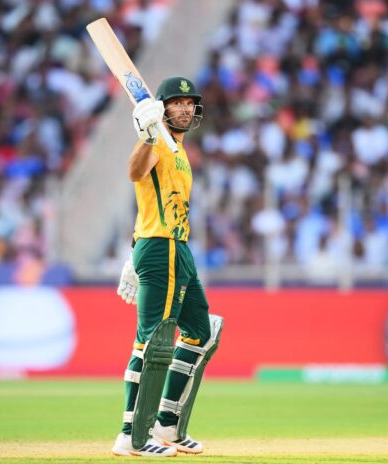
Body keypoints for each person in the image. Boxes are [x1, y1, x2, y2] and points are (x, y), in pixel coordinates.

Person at [112, 77, 224, 457]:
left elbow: (151, 204)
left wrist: (133, 250)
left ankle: (167, 425)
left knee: (201, 332)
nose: (185, 109)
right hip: (161, 248)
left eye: (190, 103)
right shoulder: (156, 141)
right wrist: (146, 136)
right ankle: (131, 434)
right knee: (152, 340)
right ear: (161, 108)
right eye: (177, 102)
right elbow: (134, 173)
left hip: (178, 248)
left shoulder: (179, 149)